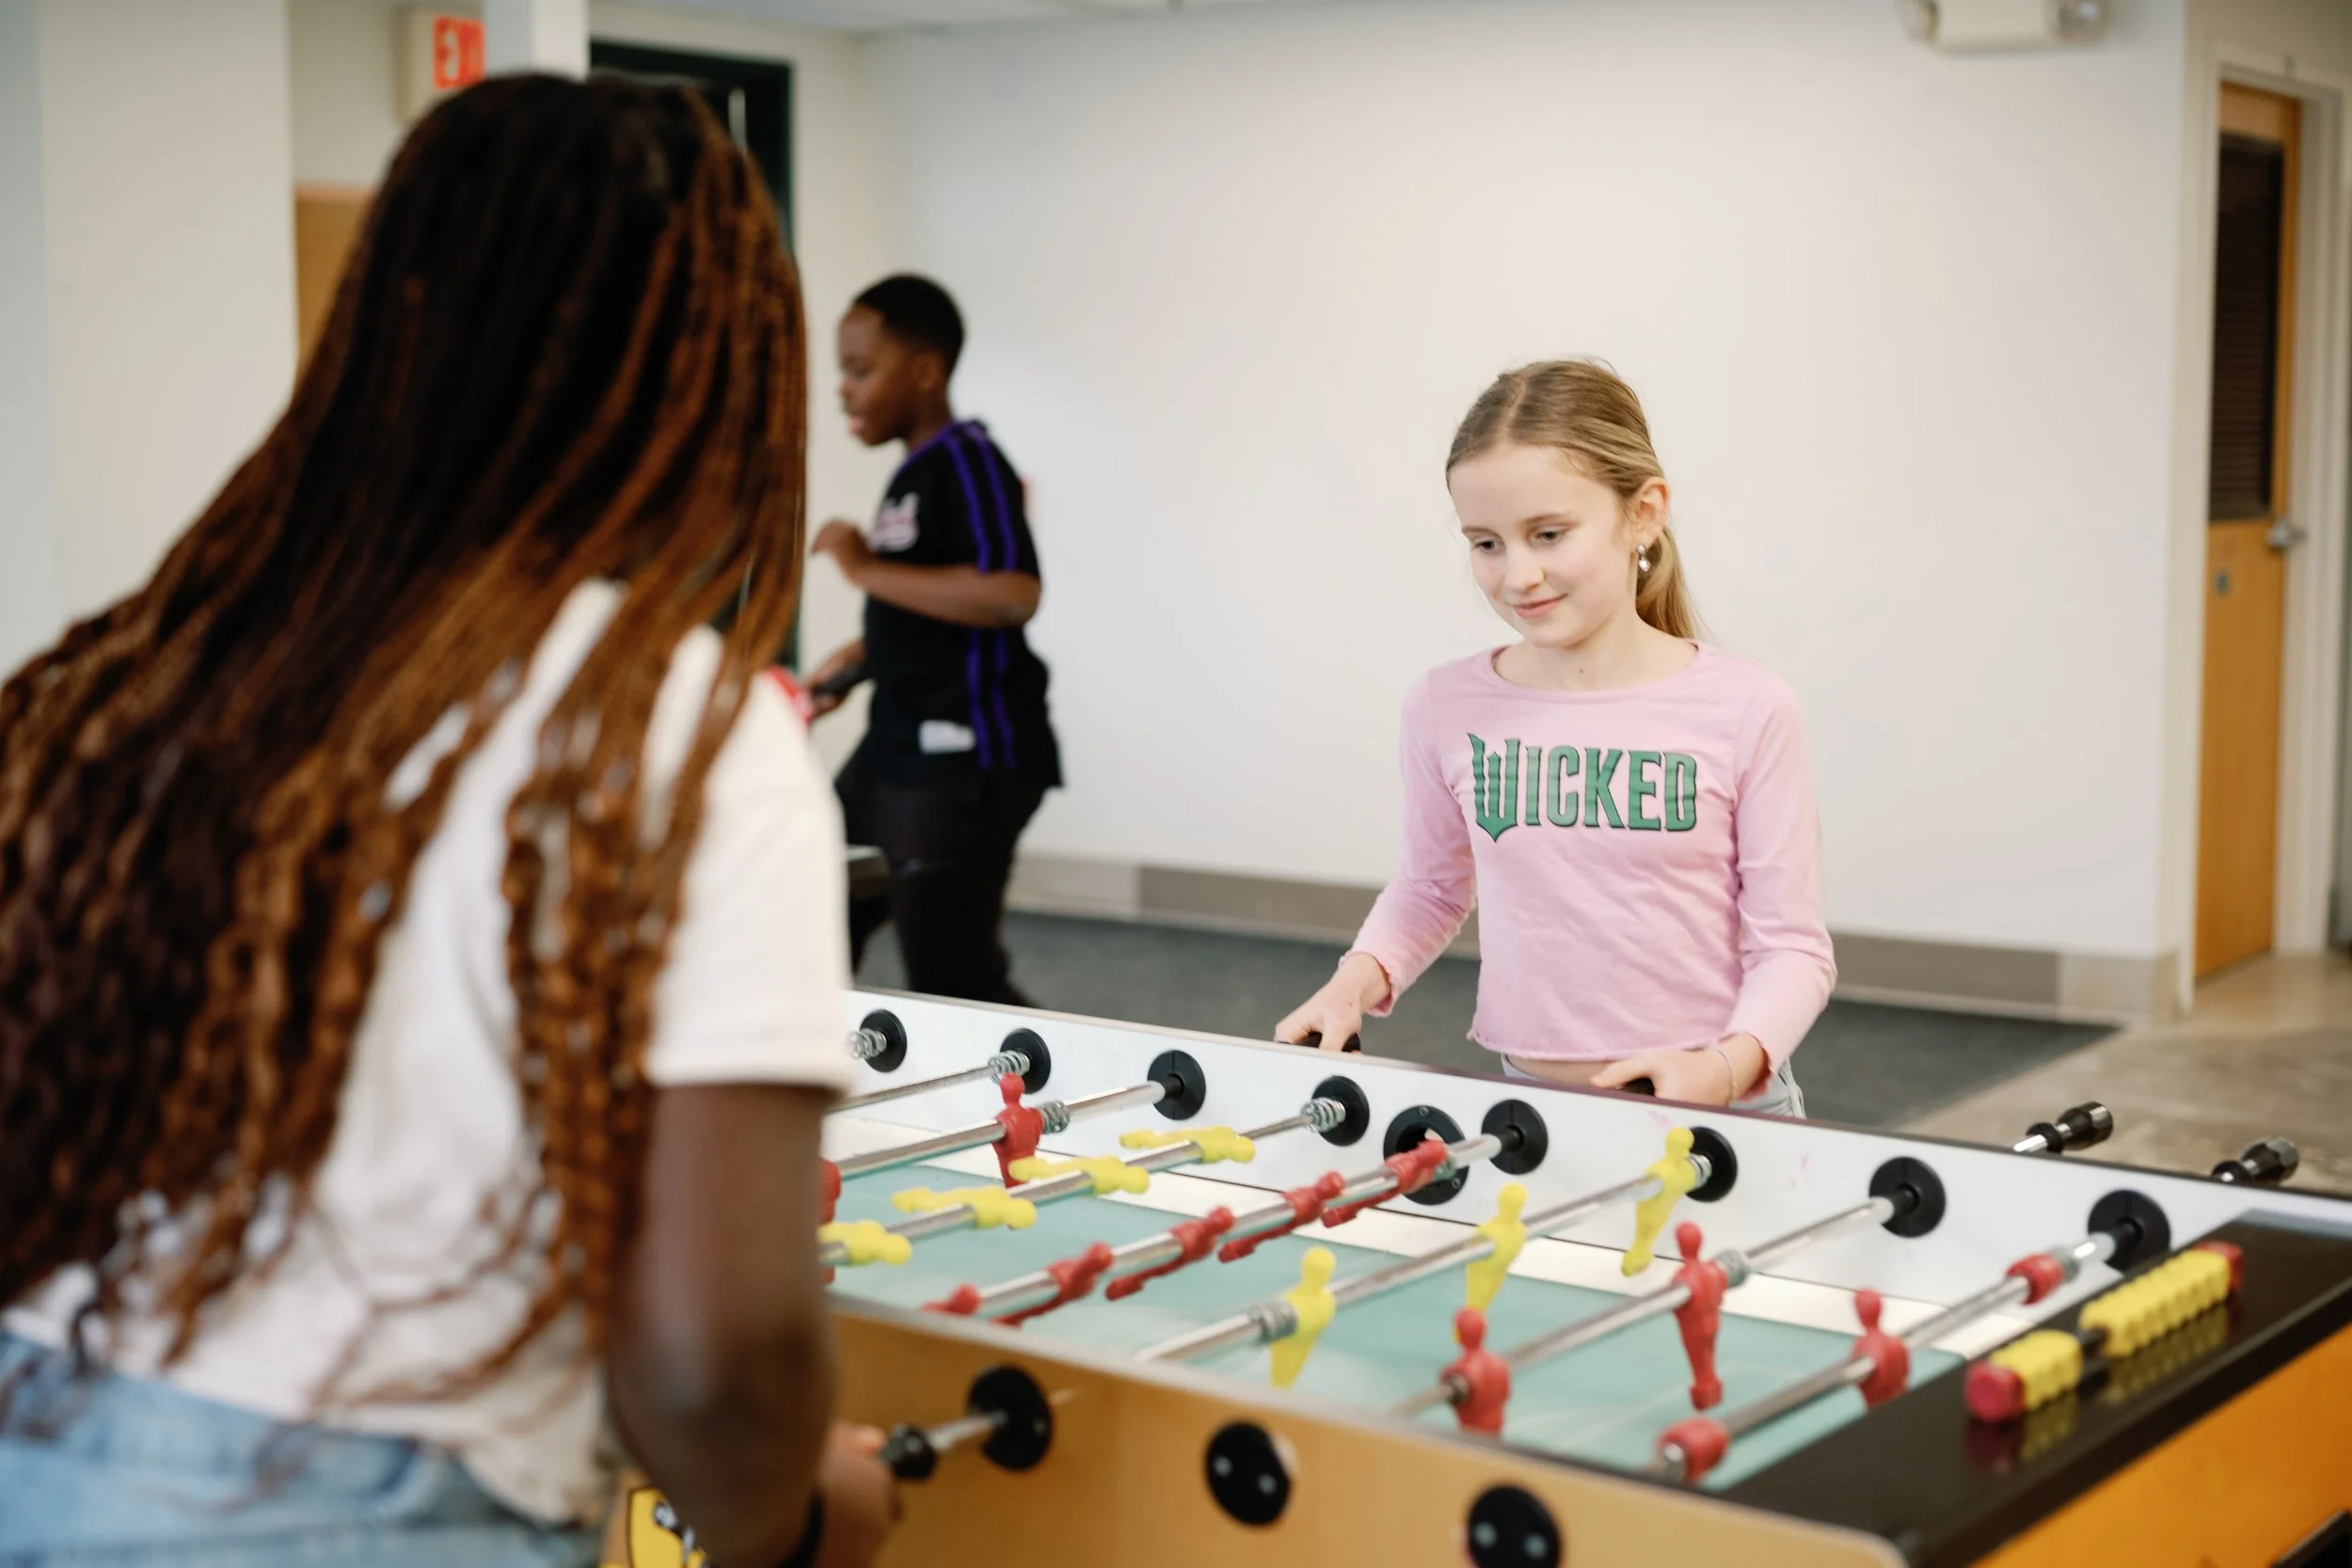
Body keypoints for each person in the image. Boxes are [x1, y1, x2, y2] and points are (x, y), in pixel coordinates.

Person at [0, 76, 893, 1567]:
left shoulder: (137, 666)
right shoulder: (675, 723)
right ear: (712, 376)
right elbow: (716, 1357)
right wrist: (794, 1519)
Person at [1277, 360, 1834, 1113]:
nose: (1519, 575)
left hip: (1721, 1111)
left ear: (1643, 513)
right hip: (1531, 1108)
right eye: (1487, 543)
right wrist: (1350, 986)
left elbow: (1793, 948)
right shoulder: (1446, 704)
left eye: (1548, 533)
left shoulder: (1749, 706)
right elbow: (1429, 887)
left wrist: (1728, 1069)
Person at [805, 275, 1060, 1006]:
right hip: (894, 746)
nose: (844, 391)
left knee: (954, 976)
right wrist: (858, 660)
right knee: (816, 909)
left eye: (861, 370)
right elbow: (927, 606)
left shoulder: (968, 458)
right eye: (841, 373)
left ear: (925, 371)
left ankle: (1053, 1109)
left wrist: (861, 566)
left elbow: (1012, 592)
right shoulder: (913, 475)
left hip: (965, 759)